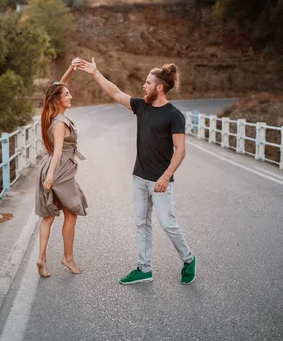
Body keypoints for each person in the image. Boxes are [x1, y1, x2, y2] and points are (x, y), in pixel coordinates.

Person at [72, 57, 196, 285]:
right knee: (142, 223)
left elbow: (181, 150)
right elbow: (117, 93)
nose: (143, 86)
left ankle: (188, 259)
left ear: (159, 87)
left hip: (160, 181)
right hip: (139, 177)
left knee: (167, 223)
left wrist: (166, 177)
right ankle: (144, 268)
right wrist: (95, 73)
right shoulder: (142, 106)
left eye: (148, 83)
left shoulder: (173, 115)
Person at [35, 64, 88, 278]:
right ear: (59, 100)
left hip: (52, 168)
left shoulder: (52, 114)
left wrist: (69, 70)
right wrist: (50, 178)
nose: (71, 96)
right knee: (72, 213)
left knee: (48, 217)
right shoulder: (60, 123)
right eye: (67, 94)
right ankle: (67, 258)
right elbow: (57, 151)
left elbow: (59, 86)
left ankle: (41, 258)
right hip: (59, 171)